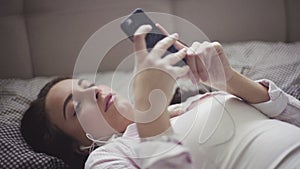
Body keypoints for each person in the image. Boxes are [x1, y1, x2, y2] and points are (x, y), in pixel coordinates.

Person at [21, 24, 300, 169]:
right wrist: (148, 111)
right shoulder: (108, 158)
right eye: (76, 107)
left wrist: (229, 80)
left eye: (85, 84)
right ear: (79, 147)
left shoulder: (194, 101)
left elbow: (295, 118)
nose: (93, 91)